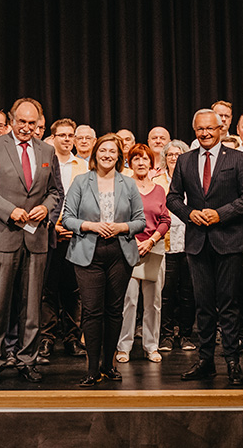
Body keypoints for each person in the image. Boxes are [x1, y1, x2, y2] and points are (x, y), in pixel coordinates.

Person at [166, 109, 243, 385]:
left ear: (220, 129)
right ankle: (205, 361)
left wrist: (221, 213)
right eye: (200, 129)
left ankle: (232, 361)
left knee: (229, 305)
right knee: (203, 306)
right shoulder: (184, 161)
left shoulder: (237, 159)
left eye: (210, 128)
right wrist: (188, 213)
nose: (205, 133)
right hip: (196, 243)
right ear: (194, 130)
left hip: (229, 242)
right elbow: (173, 198)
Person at [0, 97, 62, 384]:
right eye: (21, 122)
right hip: (1, 236)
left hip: (36, 239)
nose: (26, 127)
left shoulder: (47, 150)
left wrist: (46, 208)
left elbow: (56, 192)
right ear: (11, 121)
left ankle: (27, 358)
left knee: (32, 305)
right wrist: (10, 211)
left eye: (31, 123)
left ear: (39, 124)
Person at [61, 134, 146, 387]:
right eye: (103, 150)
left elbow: (140, 221)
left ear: (119, 155)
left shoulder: (128, 184)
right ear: (95, 154)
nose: (107, 155)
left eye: (113, 151)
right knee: (92, 311)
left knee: (114, 311)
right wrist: (91, 226)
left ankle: (108, 365)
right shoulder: (80, 181)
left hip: (120, 254)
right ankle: (91, 368)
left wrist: (121, 227)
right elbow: (67, 219)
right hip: (88, 253)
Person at [116, 144, 170, 364]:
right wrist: (135, 242)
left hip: (153, 248)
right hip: (129, 248)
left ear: (151, 163)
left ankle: (151, 346)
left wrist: (151, 240)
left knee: (154, 302)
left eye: (144, 158)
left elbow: (165, 220)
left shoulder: (159, 189)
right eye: (136, 158)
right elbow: (118, 218)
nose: (140, 162)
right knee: (128, 300)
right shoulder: (123, 186)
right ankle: (124, 346)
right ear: (130, 162)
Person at [40, 118, 87, 359]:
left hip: (77, 235)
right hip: (50, 233)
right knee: (48, 289)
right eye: (63, 135)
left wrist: (74, 225)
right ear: (54, 137)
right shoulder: (45, 162)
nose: (67, 139)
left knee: (73, 290)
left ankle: (71, 339)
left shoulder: (84, 166)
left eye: (71, 135)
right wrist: (54, 225)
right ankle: (47, 339)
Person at [159, 140, 196, 353]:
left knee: (188, 292)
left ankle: (185, 334)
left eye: (178, 154)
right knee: (166, 292)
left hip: (190, 243)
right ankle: (165, 335)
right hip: (165, 244)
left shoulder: (193, 180)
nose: (174, 157)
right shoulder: (157, 181)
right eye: (170, 154)